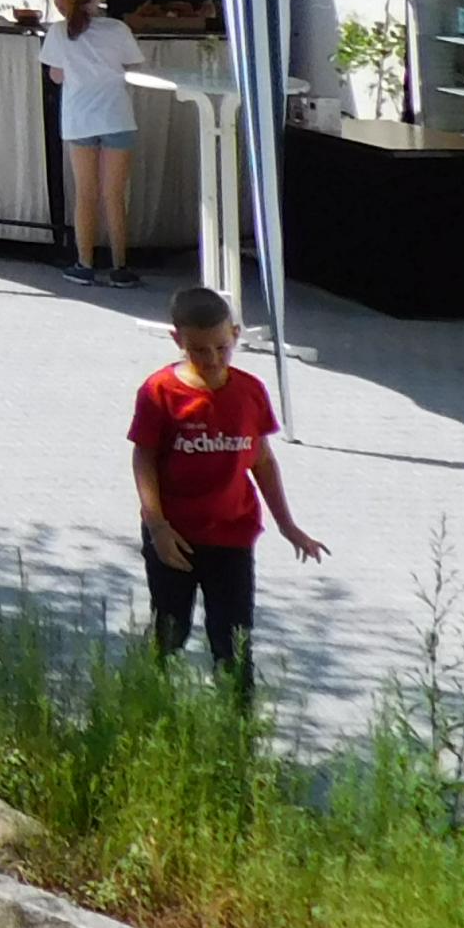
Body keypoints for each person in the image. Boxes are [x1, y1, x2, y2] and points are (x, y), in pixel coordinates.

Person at [131, 284, 325, 688]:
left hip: (232, 536)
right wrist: (157, 526)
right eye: (199, 350)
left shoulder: (250, 391)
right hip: (175, 537)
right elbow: (144, 459)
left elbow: (263, 461)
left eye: (222, 348)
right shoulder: (159, 392)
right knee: (170, 631)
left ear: (235, 334)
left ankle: (239, 718)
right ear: (178, 340)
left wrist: (288, 525)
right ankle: (145, 700)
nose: (213, 359)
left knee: (234, 641)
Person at [36, 0, 148, 286]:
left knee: (86, 194)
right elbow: (134, 67)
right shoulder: (117, 29)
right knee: (114, 195)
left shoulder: (59, 32)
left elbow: (56, 76)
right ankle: (120, 266)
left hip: (79, 119)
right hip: (116, 116)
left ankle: (84, 263)